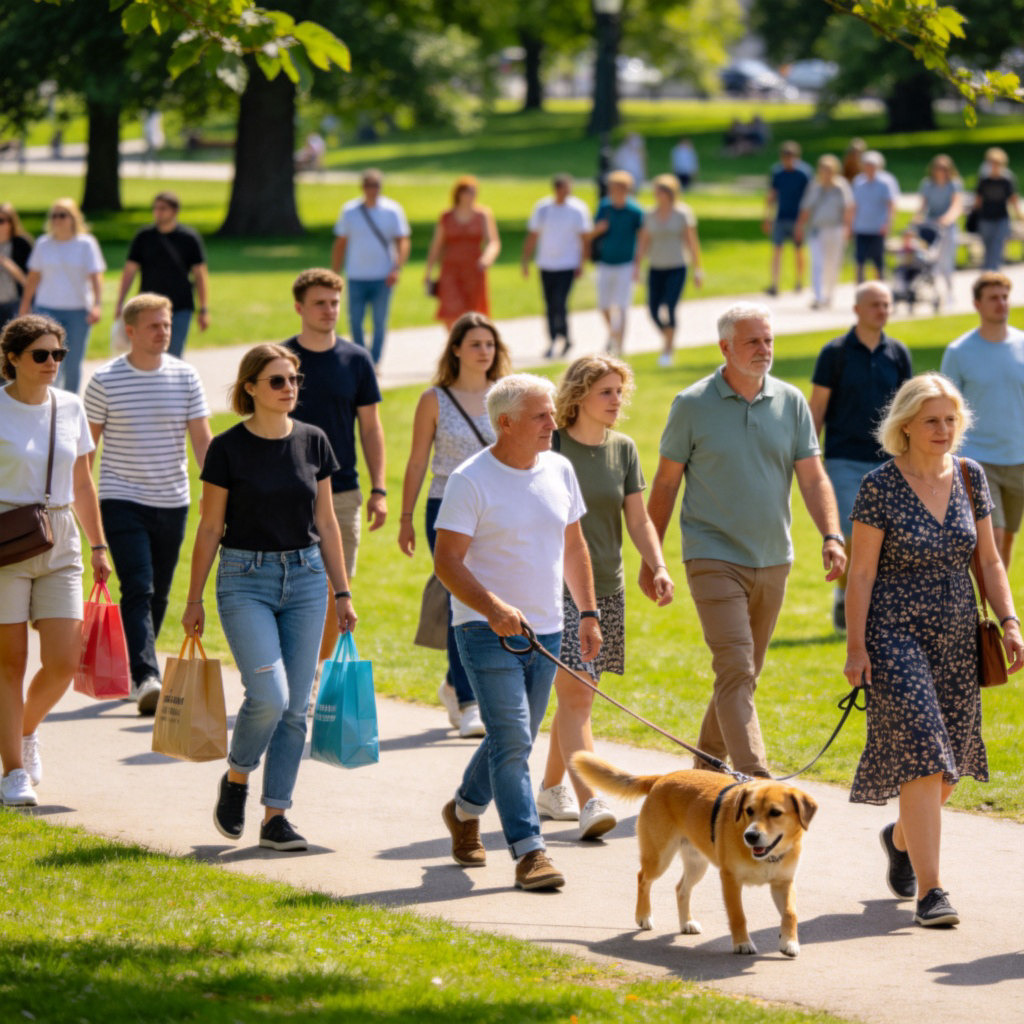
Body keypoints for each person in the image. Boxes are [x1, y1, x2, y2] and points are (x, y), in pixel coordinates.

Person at [843, 373, 1023, 928]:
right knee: (925, 749)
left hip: (957, 631)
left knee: (950, 766)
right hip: (895, 633)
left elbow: (989, 560)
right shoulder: (879, 484)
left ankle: (900, 839)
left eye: (950, 420)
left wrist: (1010, 620)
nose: (943, 430)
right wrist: (855, 648)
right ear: (906, 426)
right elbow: (862, 572)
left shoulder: (971, 477)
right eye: (931, 421)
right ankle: (932, 892)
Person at [643, 303, 847, 778]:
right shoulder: (691, 405)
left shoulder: (791, 401)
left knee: (742, 675)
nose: (764, 350)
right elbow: (666, 484)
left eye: (768, 340)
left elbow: (813, 479)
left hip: (775, 558)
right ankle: (756, 780)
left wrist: (832, 535)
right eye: (753, 341)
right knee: (736, 669)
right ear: (725, 348)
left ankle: (704, 772)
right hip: (712, 557)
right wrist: (653, 560)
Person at [182, 344, 358, 852]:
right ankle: (237, 777)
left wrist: (342, 592)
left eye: (294, 379)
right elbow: (211, 525)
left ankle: (275, 815)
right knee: (270, 696)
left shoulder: (313, 440)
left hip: (305, 580)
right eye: (277, 381)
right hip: (244, 578)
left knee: (296, 707)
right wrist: (193, 600)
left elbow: (326, 523)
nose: (289, 389)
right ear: (251, 388)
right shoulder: (227, 447)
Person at [434, 373, 600, 891]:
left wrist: (588, 613)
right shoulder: (470, 480)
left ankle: (463, 810)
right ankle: (530, 851)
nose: (554, 423)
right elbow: (447, 562)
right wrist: (492, 607)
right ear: (505, 423)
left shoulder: (560, 468)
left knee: (517, 738)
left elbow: (573, 546)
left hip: (546, 631)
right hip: (485, 630)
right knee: (512, 738)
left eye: (551, 413)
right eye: (541, 416)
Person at [537, 356, 674, 840]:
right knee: (576, 695)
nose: (618, 401)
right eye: (607, 392)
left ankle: (551, 787)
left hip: (606, 590)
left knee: (578, 697)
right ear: (579, 397)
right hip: (555, 589)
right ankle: (590, 798)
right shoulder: (549, 445)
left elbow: (638, 520)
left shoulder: (624, 449)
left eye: (620, 391)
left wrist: (656, 564)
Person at [0, 314, 111, 807]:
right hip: (6, 538)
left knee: (64, 661)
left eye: (58, 355)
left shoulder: (70, 406)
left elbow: (84, 481)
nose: (51, 363)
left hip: (61, 537)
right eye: (41, 355)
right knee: (10, 663)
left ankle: (23, 731)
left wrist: (99, 544)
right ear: (13, 359)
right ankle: (13, 773)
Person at [84, 293, 212, 714]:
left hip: (173, 500)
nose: (164, 332)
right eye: (155, 325)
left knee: (158, 593)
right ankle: (146, 677)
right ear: (131, 331)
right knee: (138, 586)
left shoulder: (186, 376)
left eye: (168, 324)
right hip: (121, 497)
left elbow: (202, 442)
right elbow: (88, 451)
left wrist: (224, 491)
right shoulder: (105, 380)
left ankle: (139, 667)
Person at [399, 313, 511, 737]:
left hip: (496, 506)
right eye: (476, 343)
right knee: (457, 598)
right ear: (457, 349)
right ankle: (467, 701)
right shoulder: (434, 398)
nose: (485, 351)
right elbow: (416, 461)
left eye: (490, 344)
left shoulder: (506, 395)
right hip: (444, 506)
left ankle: (453, 684)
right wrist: (406, 518)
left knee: (491, 597)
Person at [282, 270, 386, 687]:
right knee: (287, 590)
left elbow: (372, 428)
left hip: (342, 492)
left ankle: (311, 678)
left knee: (333, 591)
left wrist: (379, 489)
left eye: (335, 303)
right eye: (320, 303)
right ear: (300, 308)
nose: (329, 310)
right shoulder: (281, 360)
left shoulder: (356, 359)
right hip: (284, 494)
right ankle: (288, 673)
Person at [809, 282, 912, 631]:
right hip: (843, 458)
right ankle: (843, 595)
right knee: (852, 531)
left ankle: (875, 606)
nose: (882, 310)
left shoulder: (898, 353)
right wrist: (808, 455)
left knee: (888, 536)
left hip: (890, 462)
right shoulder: (834, 352)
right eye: (875, 305)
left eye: (887, 304)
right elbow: (818, 405)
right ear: (856, 309)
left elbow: (908, 410)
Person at [941, 272, 1024, 568]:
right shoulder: (959, 352)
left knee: (1008, 537)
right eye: (993, 298)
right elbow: (944, 409)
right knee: (994, 535)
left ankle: (999, 608)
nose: (1001, 303)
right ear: (977, 304)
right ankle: (988, 611)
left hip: (1019, 458)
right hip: (978, 460)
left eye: (1005, 297)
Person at [18, 198, 105, 394]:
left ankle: (71, 401)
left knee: (73, 362)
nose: (57, 219)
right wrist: (25, 305)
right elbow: (33, 277)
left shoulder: (86, 243)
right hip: (47, 309)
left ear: (73, 218)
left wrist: (97, 304)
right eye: (54, 215)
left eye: (62, 215)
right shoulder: (43, 244)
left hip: (78, 310)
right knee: (47, 359)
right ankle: (48, 399)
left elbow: (96, 277)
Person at [330, 169, 411, 366]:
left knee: (379, 321)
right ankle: (361, 358)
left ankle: (374, 361)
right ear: (363, 187)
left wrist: (397, 268)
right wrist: (335, 272)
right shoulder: (350, 211)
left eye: (376, 185)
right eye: (369, 185)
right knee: (355, 320)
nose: (372, 190)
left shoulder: (392, 210)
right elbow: (340, 243)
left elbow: (403, 241)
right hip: (356, 274)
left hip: (383, 276)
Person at [115, 191, 210, 359]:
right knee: (146, 353)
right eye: (155, 208)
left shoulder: (189, 238)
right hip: (147, 307)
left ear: (174, 211)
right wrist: (120, 302)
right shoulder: (143, 237)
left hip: (180, 306)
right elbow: (129, 271)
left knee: (173, 356)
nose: (157, 212)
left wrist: (203, 309)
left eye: (162, 208)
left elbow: (200, 275)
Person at [520, 174, 592, 359]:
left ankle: (563, 336)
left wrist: (582, 262)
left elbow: (584, 238)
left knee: (560, 302)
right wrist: (525, 260)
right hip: (546, 264)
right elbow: (533, 235)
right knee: (550, 303)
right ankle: (554, 339)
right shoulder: (543, 208)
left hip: (567, 264)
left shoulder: (577, 209)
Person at [635, 174, 703, 368]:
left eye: (661, 191)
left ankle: (667, 350)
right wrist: (637, 265)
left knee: (671, 306)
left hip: (677, 266)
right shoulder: (649, 214)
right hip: (656, 266)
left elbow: (692, 242)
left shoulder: (682, 213)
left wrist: (698, 270)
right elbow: (644, 241)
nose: (658, 195)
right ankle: (669, 337)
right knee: (653, 309)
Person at [424, 177, 501, 331]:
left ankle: (469, 344)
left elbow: (493, 242)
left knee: (475, 313)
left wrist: (487, 257)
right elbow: (436, 245)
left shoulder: (483, 214)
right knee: (450, 309)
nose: (471, 195)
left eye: (474, 192)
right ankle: (455, 343)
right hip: (450, 269)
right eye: (468, 192)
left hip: (474, 270)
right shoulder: (446, 216)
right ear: (459, 194)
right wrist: (429, 272)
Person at [592, 170, 644, 356]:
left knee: (622, 306)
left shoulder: (635, 211)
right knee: (603, 305)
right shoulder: (605, 207)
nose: (612, 191)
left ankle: (619, 347)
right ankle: (613, 335)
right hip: (606, 262)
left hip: (626, 263)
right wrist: (599, 229)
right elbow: (593, 232)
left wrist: (638, 265)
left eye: (615, 188)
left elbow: (642, 239)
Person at [795, 154, 853, 310]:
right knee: (817, 263)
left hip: (836, 229)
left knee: (833, 264)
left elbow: (848, 209)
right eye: (823, 169)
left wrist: (848, 228)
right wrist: (799, 227)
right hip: (817, 230)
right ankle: (818, 296)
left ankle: (829, 294)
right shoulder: (814, 187)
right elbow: (805, 209)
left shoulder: (841, 187)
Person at [763, 141, 813, 296]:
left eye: (791, 157)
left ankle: (799, 281)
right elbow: (771, 195)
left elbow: (810, 198)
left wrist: (804, 221)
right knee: (777, 250)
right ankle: (774, 283)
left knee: (798, 251)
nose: (788, 161)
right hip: (781, 216)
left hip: (798, 218)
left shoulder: (804, 173)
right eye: (785, 158)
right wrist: (767, 217)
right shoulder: (778, 172)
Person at [916, 155, 962, 304]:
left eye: (944, 168)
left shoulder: (953, 184)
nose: (940, 171)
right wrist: (917, 218)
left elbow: (956, 205)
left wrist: (947, 218)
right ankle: (934, 292)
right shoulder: (927, 184)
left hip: (946, 227)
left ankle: (950, 292)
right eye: (938, 168)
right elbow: (923, 206)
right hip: (931, 225)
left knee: (946, 262)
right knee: (929, 260)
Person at [850, 151, 899, 284]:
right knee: (859, 260)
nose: (869, 168)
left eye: (872, 165)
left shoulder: (886, 182)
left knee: (878, 261)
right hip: (861, 227)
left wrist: (888, 223)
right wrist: (850, 225)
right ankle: (860, 288)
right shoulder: (858, 182)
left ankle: (880, 287)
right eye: (867, 165)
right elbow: (854, 205)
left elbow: (891, 205)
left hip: (878, 228)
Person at [973, 148, 1021, 272]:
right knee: (987, 249)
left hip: (1001, 218)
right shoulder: (984, 180)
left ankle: (993, 275)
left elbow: (1013, 199)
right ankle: (988, 275)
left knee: (997, 249)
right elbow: (978, 200)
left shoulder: (1007, 180)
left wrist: (1019, 215)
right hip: (985, 218)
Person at [0, 203, 33, 329]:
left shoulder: (21, 244)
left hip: (14, 303)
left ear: (11, 222)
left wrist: (6, 263)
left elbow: (29, 279)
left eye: (1, 220)